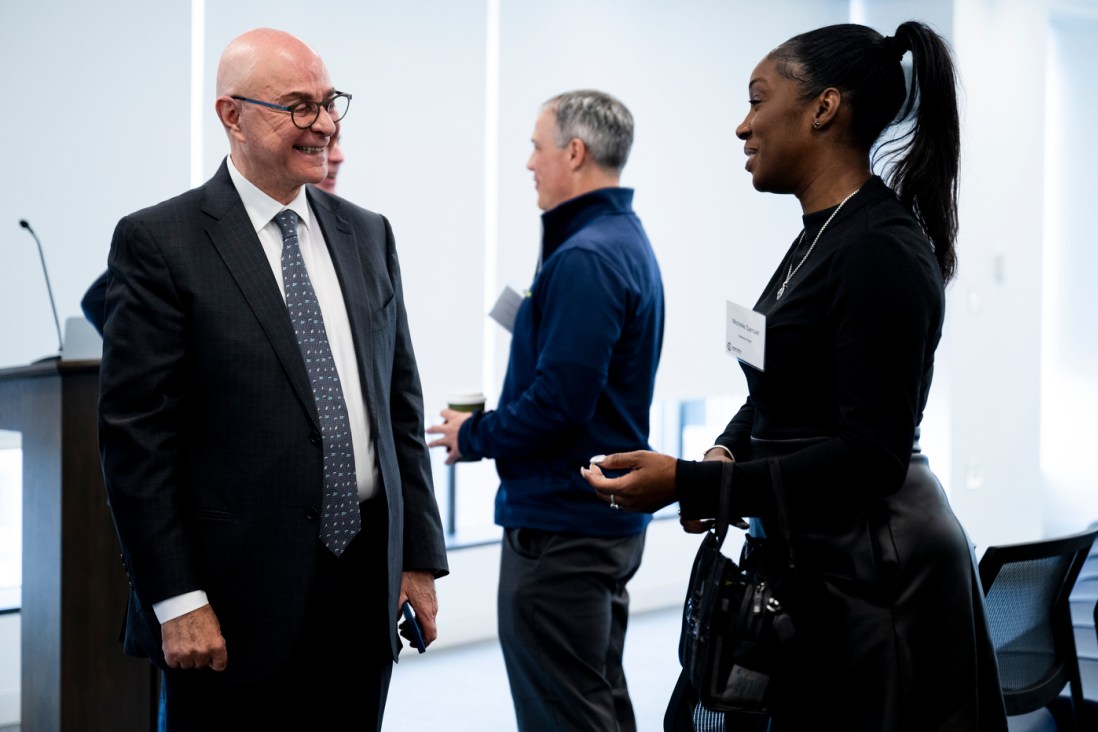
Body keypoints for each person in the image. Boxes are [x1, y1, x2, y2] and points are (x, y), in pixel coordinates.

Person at [582, 22, 1008, 732]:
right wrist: (724, 450)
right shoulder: (822, 233)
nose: (742, 125)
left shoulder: (881, 249)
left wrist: (693, 483)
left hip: (883, 575)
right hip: (818, 561)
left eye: (758, 98)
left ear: (823, 108)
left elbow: (869, 454)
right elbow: (781, 382)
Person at [98, 28, 448, 731]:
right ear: (233, 115)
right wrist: (177, 600)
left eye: (329, 103)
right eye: (298, 106)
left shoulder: (368, 233)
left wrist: (417, 558)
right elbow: (137, 444)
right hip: (230, 605)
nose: (323, 124)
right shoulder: (161, 243)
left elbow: (397, 410)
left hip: (362, 590)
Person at [427, 90, 664, 731]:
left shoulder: (586, 258)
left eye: (537, 147)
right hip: (591, 526)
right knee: (595, 700)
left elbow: (560, 405)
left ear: (575, 152)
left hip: (562, 531)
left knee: (564, 712)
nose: (529, 163)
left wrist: (473, 434)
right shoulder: (615, 240)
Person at [83, 133, 346, 335]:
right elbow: (98, 298)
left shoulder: (355, 237)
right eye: (322, 145)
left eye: (334, 142)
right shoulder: (199, 232)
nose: (336, 157)